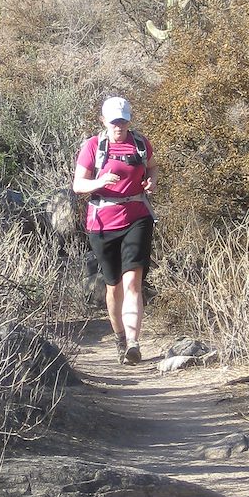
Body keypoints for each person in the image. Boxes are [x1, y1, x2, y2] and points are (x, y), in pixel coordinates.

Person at [73, 96, 156, 364]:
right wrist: (100, 181)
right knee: (114, 286)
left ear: (129, 120)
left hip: (137, 217)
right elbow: (78, 185)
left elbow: (152, 168)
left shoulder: (140, 143)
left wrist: (151, 182)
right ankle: (120, 338)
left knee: (133, 282)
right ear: (103, 121)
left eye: (123, 121)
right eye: (113, 122)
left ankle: (133, 342)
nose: (119, 126)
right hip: (102, 222)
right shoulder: (94, 146)